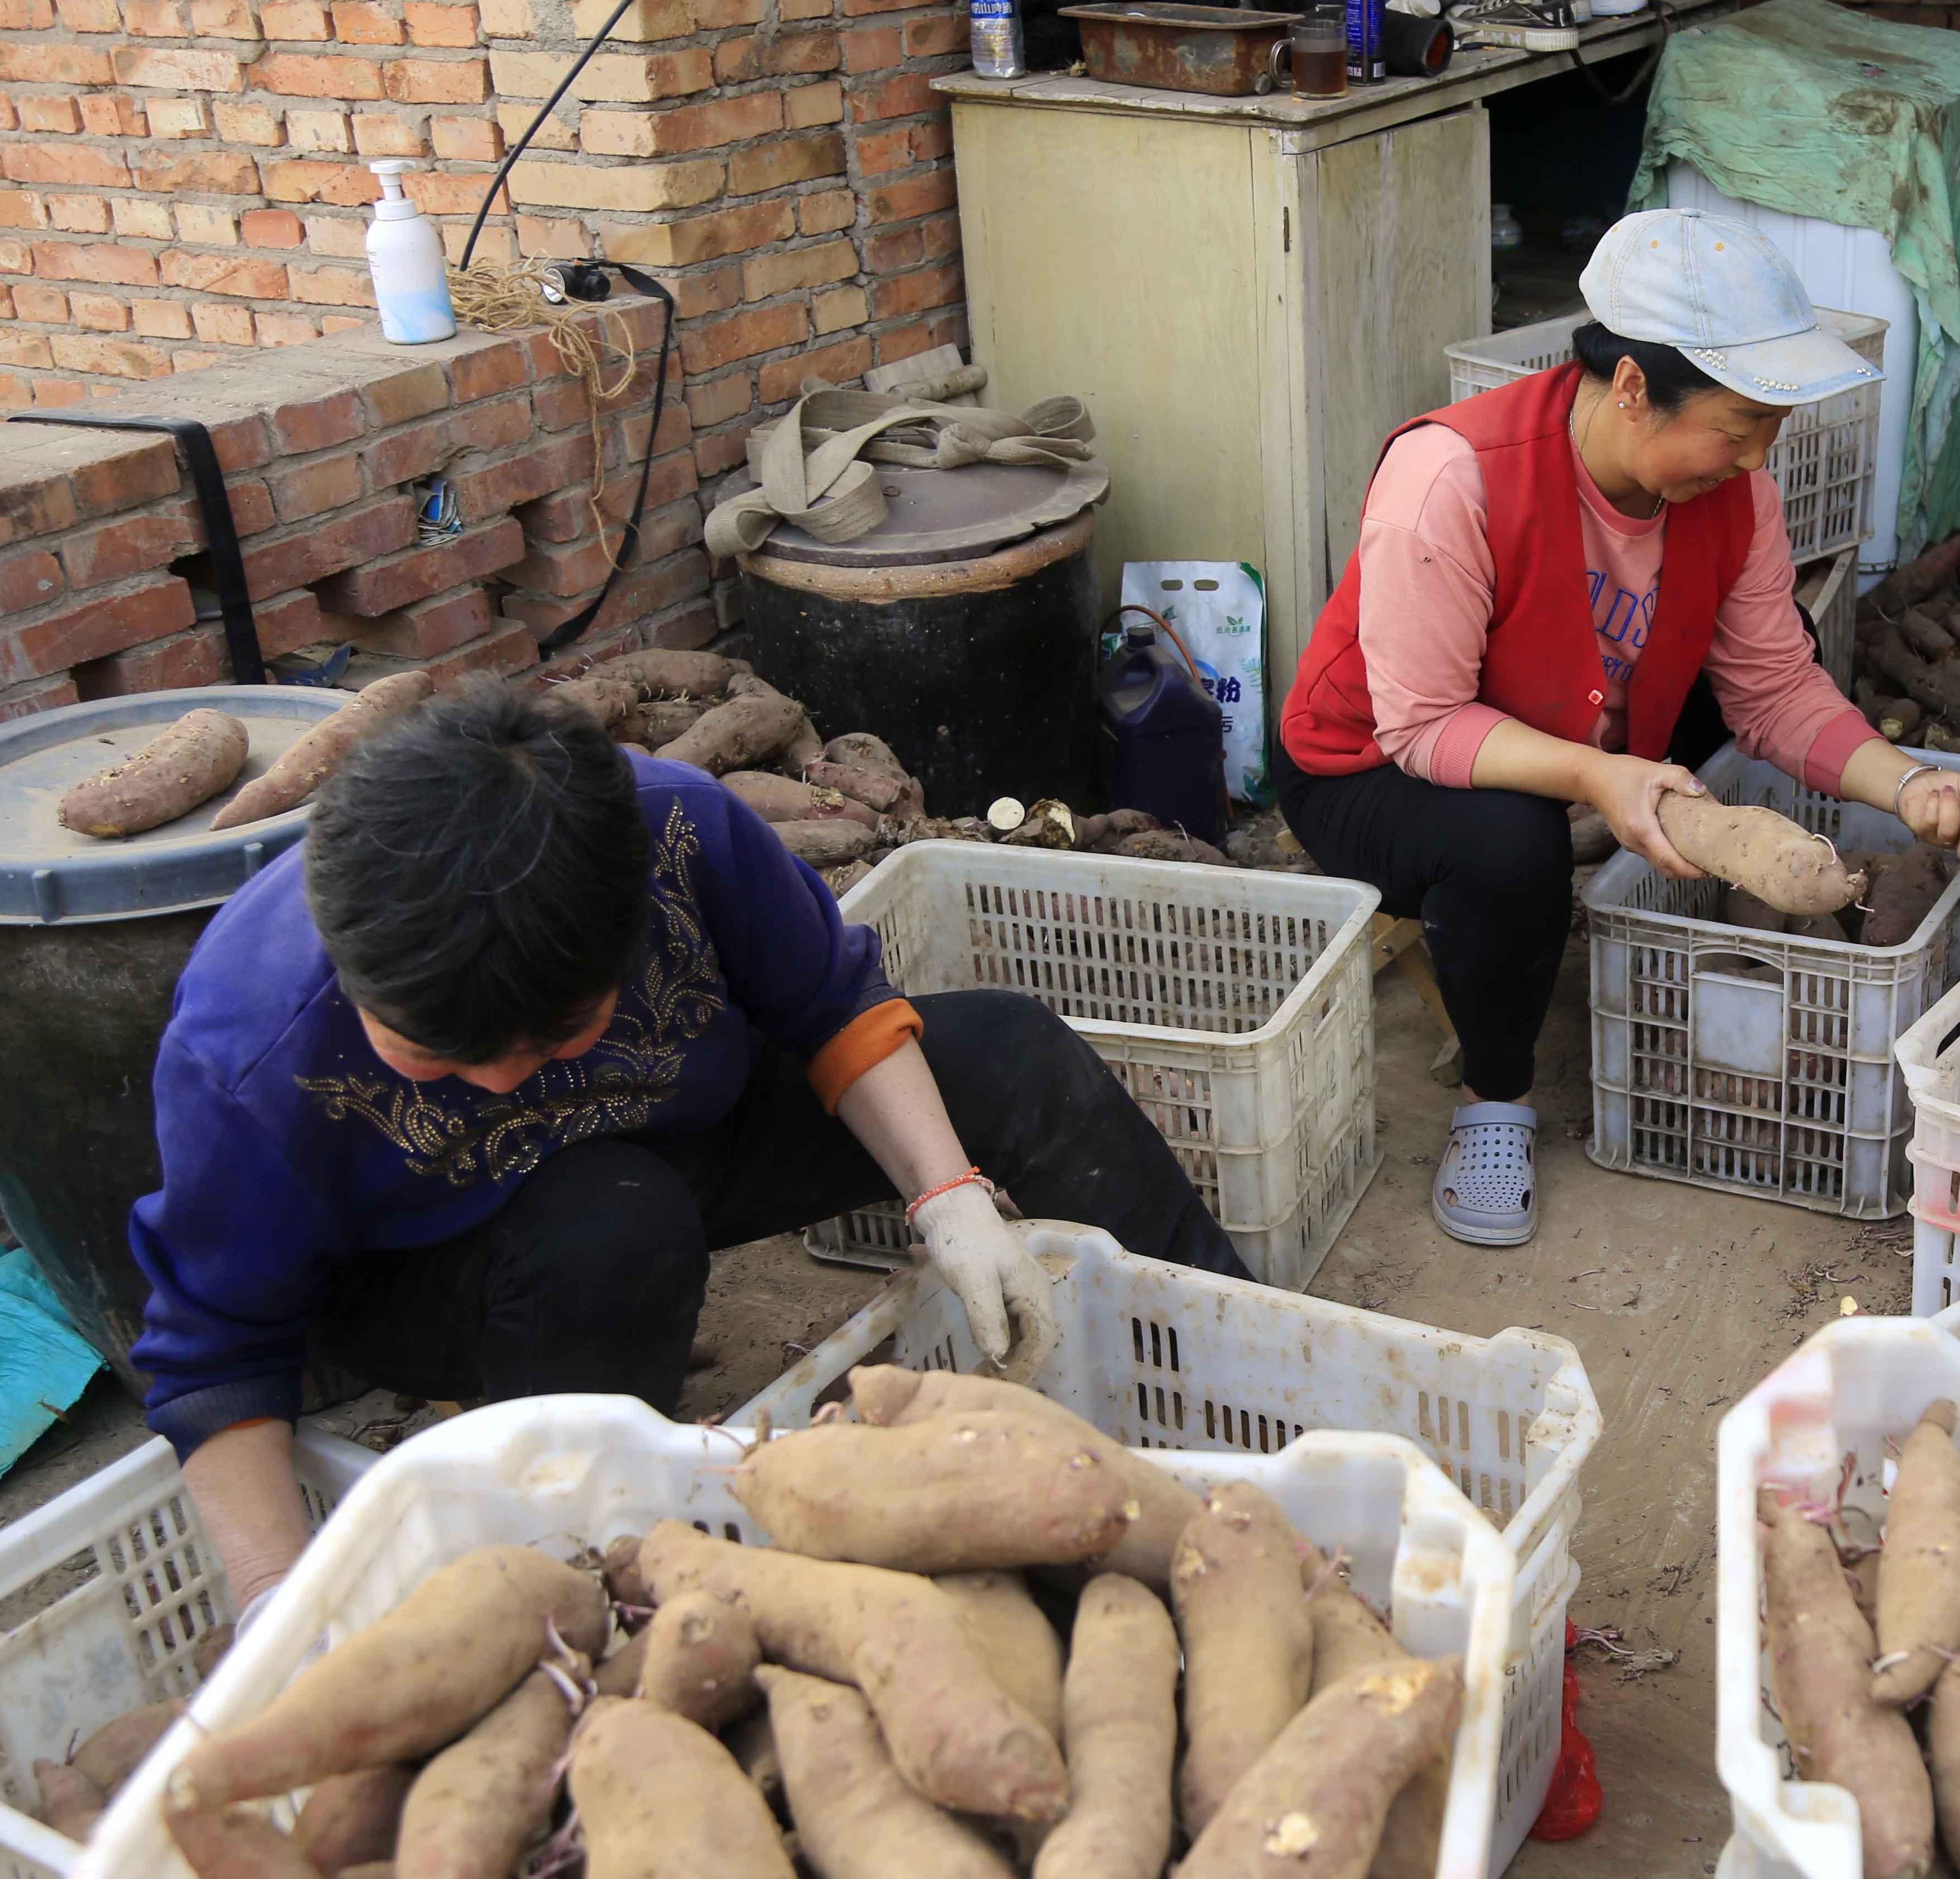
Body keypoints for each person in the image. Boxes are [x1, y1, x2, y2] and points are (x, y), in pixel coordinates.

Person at [131, 678, 1244, 1612]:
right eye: (439, 1058)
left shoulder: (678, 833)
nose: (506, 1080)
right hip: (444, 1259)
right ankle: (592, 1565)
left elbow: (830, 1005)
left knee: (1009, 1050)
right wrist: (276, 1597)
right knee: (612, 1225)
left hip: (682, 1128)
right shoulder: (248, 1047)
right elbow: (219, 1353)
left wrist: (947, 1194)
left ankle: (1246, 1398)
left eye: (557, 1035)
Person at [1279, 209, 1960, 1246]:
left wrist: (1905, 785)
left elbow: (1772, 689)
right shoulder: (1450, 479)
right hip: (1370, 769)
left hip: (1570, 717)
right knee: (1509, 840)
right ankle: (1495, 1102)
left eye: (1771, 430)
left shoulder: (1735, 493)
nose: (1760, 456)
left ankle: (1593, 806)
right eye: (1739, 424)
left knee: (1752, 654)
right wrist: (1595, 777)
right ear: (1631, 390)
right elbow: (1425, 726)